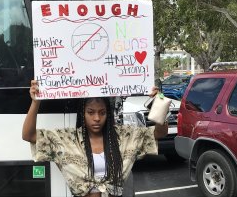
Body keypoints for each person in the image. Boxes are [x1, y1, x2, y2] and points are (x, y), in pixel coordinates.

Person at [22, 80, 168, 197]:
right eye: (91, 112)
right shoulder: (68, 140)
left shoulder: (123, 137)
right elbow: (29, 135)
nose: (97, 118)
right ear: (82, 113)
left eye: (102, 113)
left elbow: (159, 133)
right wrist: (36, 102)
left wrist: (158, 103)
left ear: (108, 114)